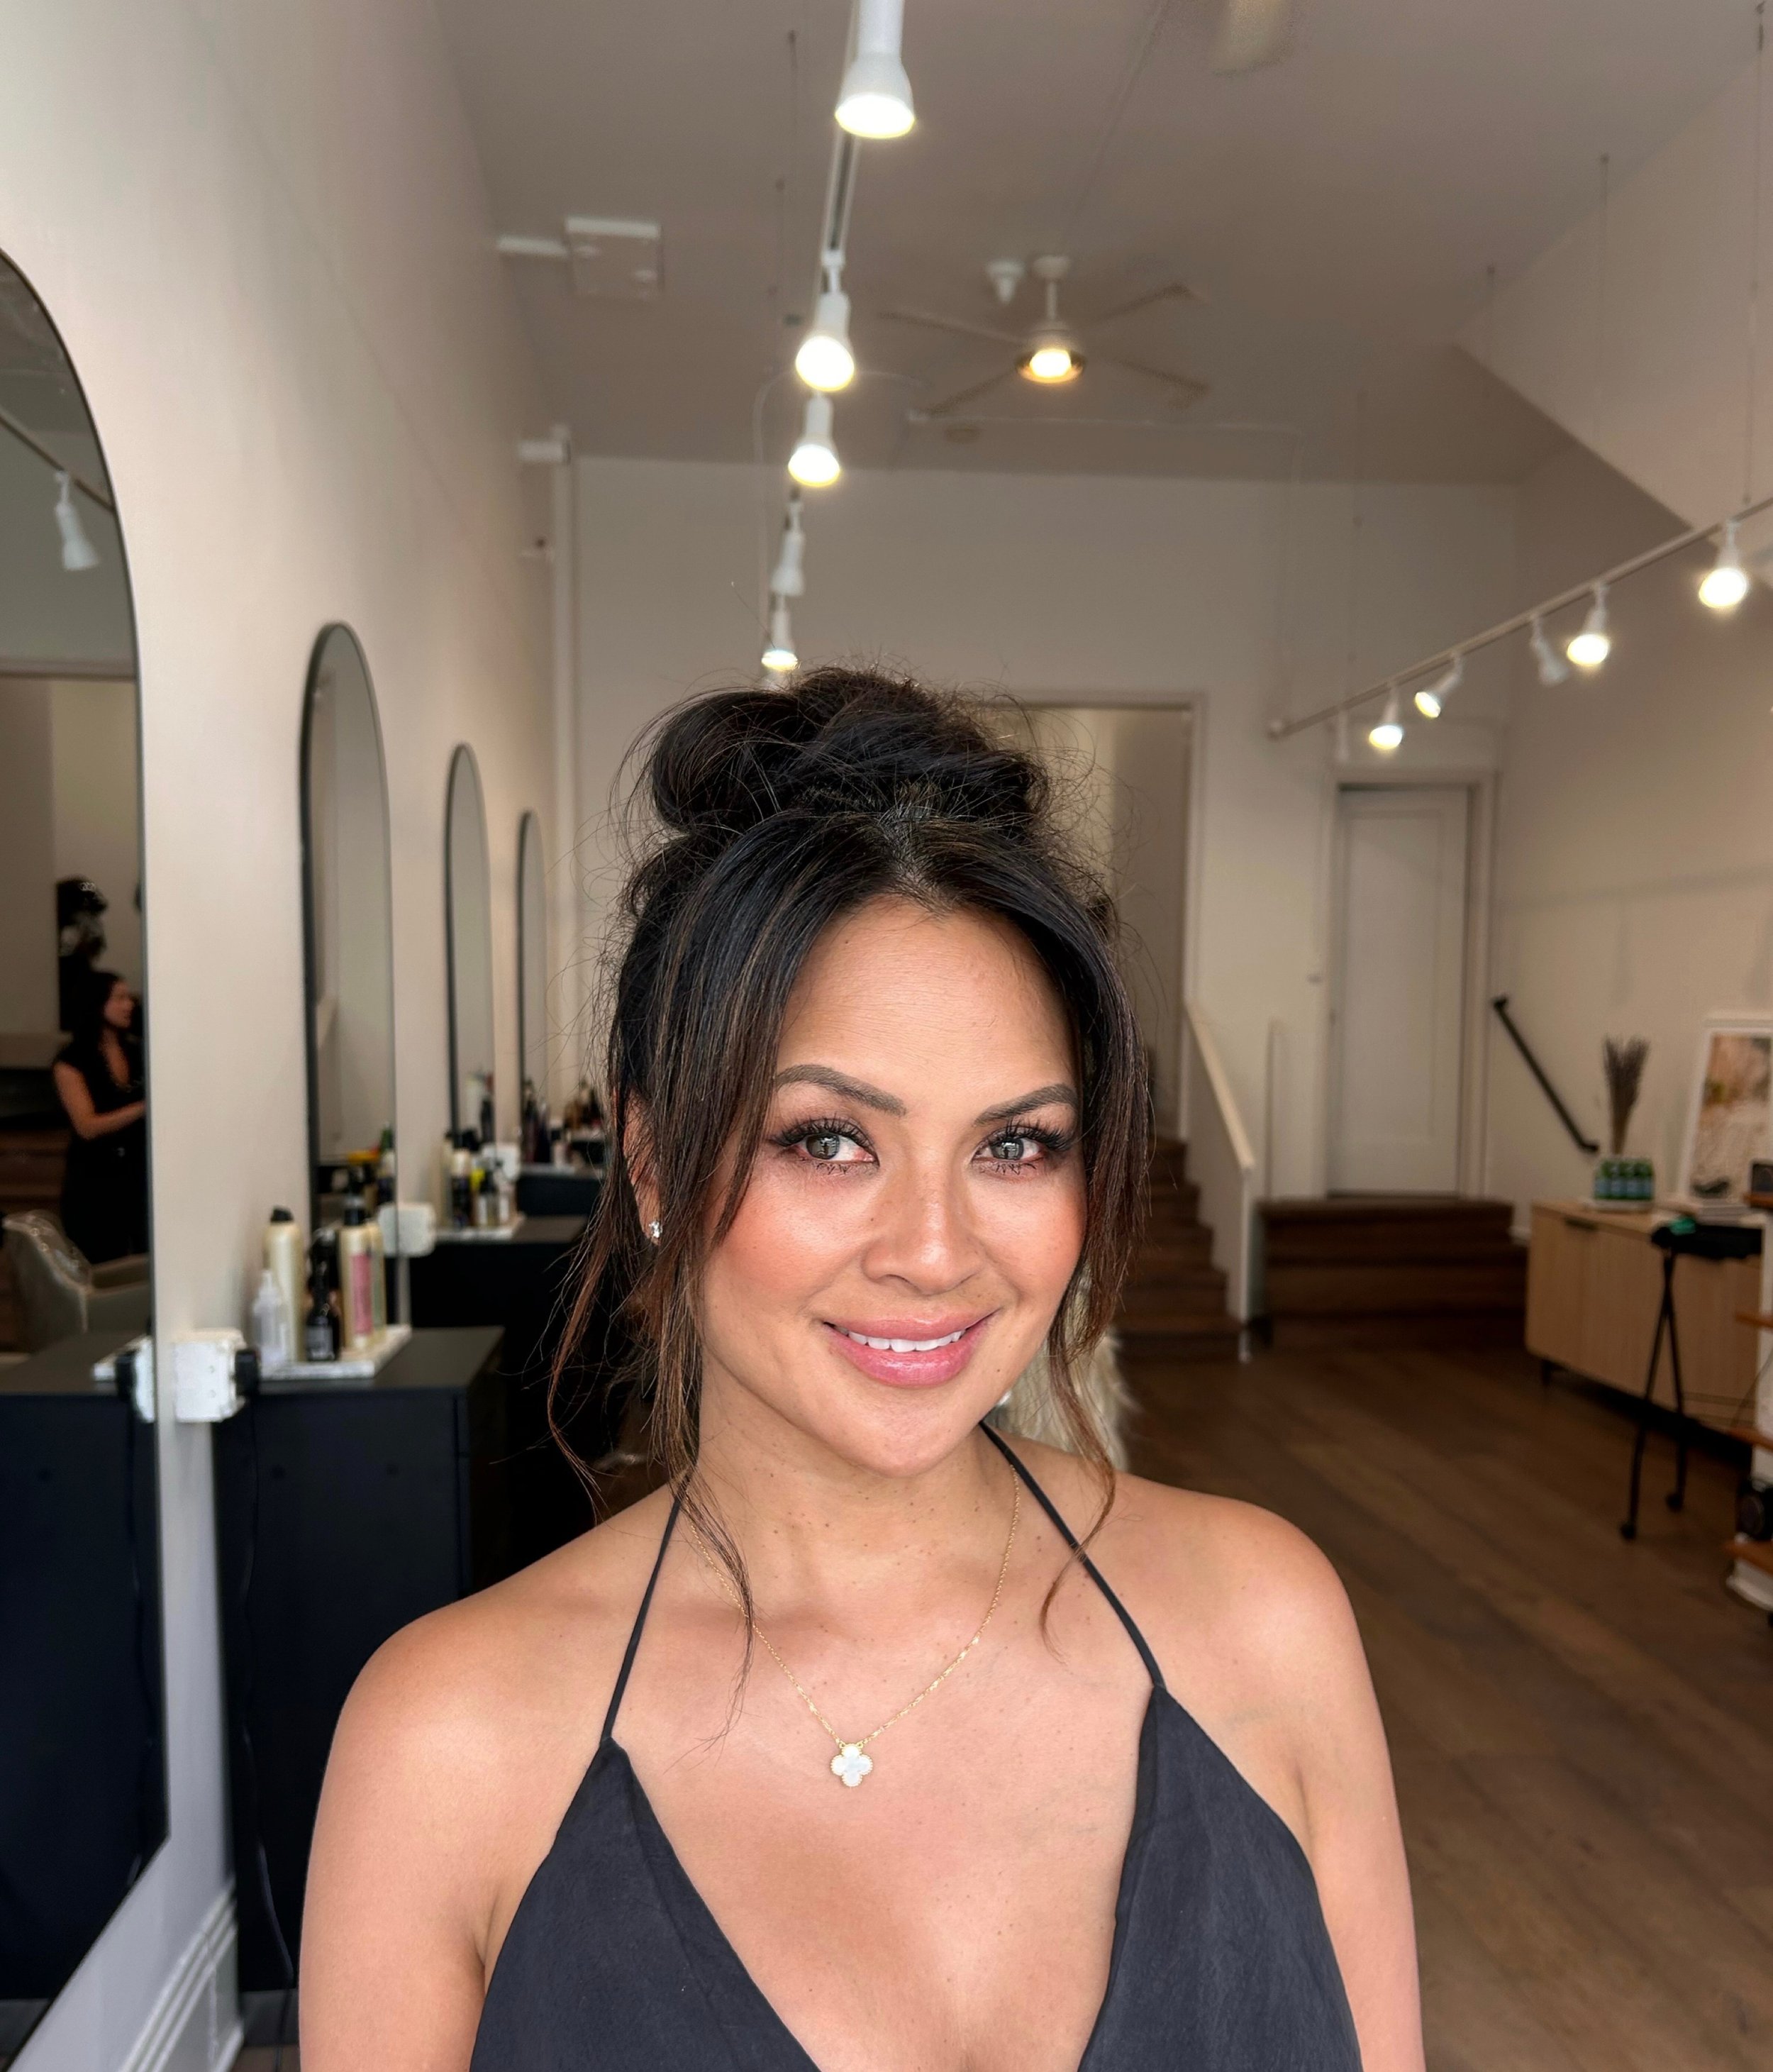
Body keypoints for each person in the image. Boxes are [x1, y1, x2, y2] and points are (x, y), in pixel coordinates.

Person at [303, 670, 1424, 2072]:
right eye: (828, 1138)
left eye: (1015, 1142)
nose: (934, 1248)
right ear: (652, 1160)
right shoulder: (449, 1739)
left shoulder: (1263, 1620)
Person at [52, 968, 147, 1266]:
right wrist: (145, 1108)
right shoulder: (71, 1061)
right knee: (102, 1265)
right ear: (97, 1004)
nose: (129, 1004)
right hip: (95, 1184)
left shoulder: (138, 1051)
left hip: (138, 1176)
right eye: (119, 998)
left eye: (128, 997)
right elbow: (87, 1126)